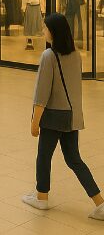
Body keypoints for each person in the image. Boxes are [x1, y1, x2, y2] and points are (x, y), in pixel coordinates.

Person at [22, 12, 104, 219]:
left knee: (44, 156)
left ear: (53, 32)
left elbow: (42, 94)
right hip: (72, 115)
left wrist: (34, 123)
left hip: (54, 116)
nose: (42, 31)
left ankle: (41, 197)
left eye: (44, 28)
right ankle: (100, 203)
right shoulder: (75, 54)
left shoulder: (49, 56)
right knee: (74, 158)